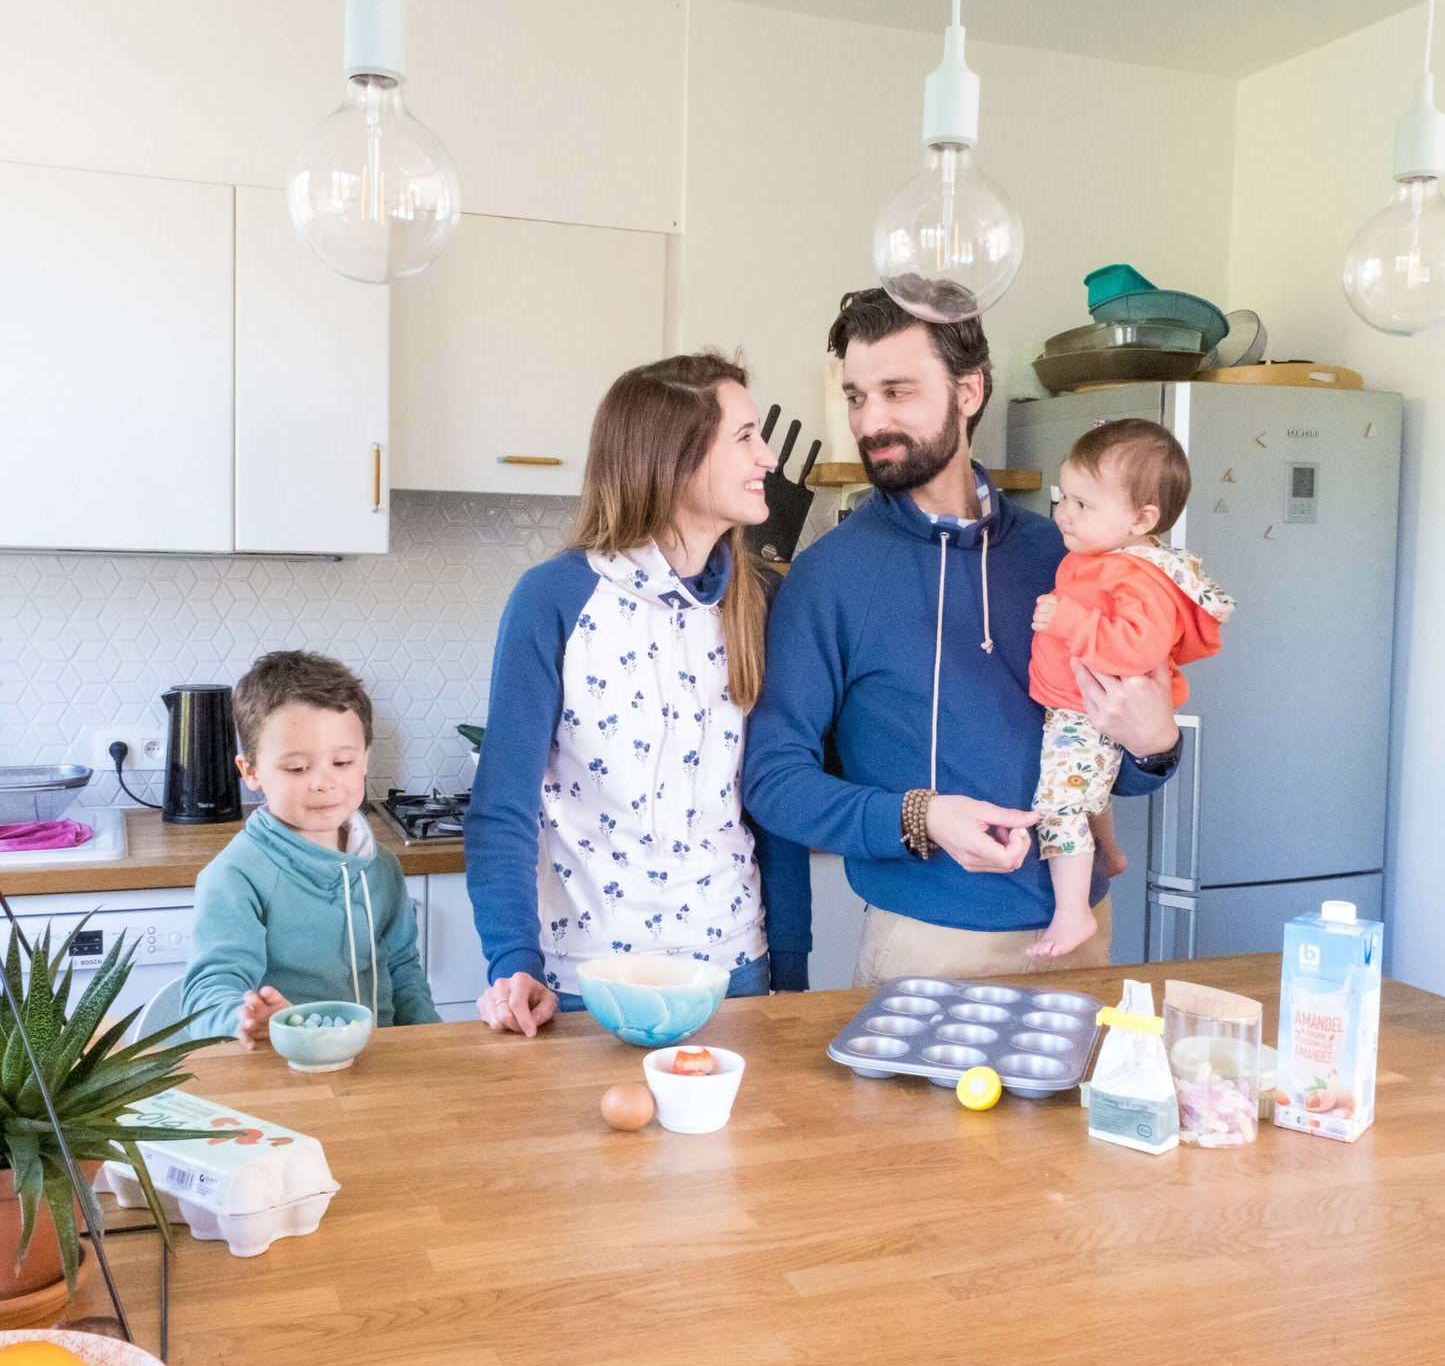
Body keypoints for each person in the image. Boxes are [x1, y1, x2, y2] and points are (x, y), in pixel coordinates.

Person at [742, 287, 1182, 985]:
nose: (870, 421)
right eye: (856, 397)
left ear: (968, 391)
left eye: (896, 391)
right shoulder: (828, 575)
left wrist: (1156, 746)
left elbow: (1106, 758)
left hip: (1081, 933)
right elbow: (773, 782)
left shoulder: (1063, 555)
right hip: (926, 946)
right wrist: (922, 817)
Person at [465, 351, 812, 1035]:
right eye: (745, 436)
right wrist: (513, 961)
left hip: (733, 970)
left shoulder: (760, 603)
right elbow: (501, 808)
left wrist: (792, 971)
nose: (767, 458)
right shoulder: (555, 598)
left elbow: (776, 805)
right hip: (584, 980)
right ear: (674, 458)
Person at [1028, 419, 1234, 958]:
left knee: (1061, 804)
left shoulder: (1135, 575)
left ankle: (1072, 912)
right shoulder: (1104, 558)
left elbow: (1139, 649)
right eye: (1063, 497)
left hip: (1088, 708)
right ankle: (1111, 852)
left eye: (1083, 504)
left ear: (1142, 519)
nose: (1063, 514)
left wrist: (1067, 621)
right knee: (1087, 787)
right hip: (1080, 706)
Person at [182, 651, 440, 1045]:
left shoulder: (381, 866)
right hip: (285, 1069)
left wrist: (433, 1040)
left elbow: (403, 972)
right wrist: (244, 1018)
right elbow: (207, 993)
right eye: (298, 768)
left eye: (342, 762)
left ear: (365, 760)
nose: (323, 782)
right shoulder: (235, 875)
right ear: (250, 771)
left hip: (379, 1065)